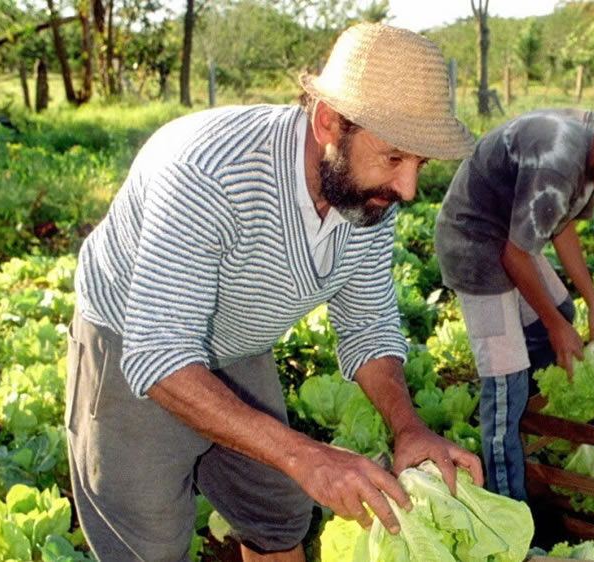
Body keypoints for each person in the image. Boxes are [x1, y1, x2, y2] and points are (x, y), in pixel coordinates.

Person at [65, 22, 483, 562]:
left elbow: (369, 326)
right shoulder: (206, 171)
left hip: (236, 341)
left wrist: (409, 429)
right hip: (134, 344)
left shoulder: (367, 200)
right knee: (148, 545)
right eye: (394, 157)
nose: (407, 189)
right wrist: (308, 456)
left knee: (279, 514)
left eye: (420, 164)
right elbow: (162, 354)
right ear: (329, 121)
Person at [434, 109, 594, 501]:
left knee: (563, 315)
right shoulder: (560, 161)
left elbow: (562, 226)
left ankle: (527, 417)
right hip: (474, 242)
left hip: (510, 235)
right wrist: (554, 325)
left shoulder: (592, 151)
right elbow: (515, 256)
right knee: (506, 384)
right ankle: (509, 507)